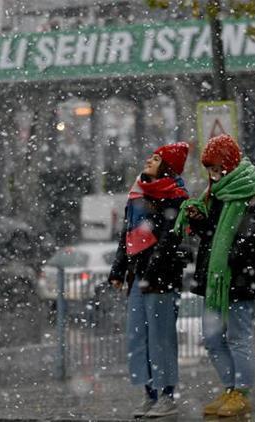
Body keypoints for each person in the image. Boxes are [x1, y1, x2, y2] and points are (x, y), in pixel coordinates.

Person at [174, 134, 255, 418]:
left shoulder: (252, 191)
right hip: (216, 279)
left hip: (239, 279)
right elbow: (211, 235)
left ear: (230, 163)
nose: (214, 175)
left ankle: (242, 391)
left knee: (239, 337)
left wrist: (231, 256)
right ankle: (230, 388)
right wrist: (198, 220)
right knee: (212, 337)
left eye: (217, 168)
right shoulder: (216, 193)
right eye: (210, 169)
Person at [108, 142, 190, 418]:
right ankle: (149, 393)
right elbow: (127, 235)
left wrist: (153, 265)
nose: (149, 160)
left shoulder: (175, 196)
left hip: (161, 278)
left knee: (161, 337)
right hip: (137, 276)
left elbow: (171, 237)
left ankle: (167, 394)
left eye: (156, 159)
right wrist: (119, 270)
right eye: (151, 156)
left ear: (167, 166)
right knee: (137, 336)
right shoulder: (137, 193)